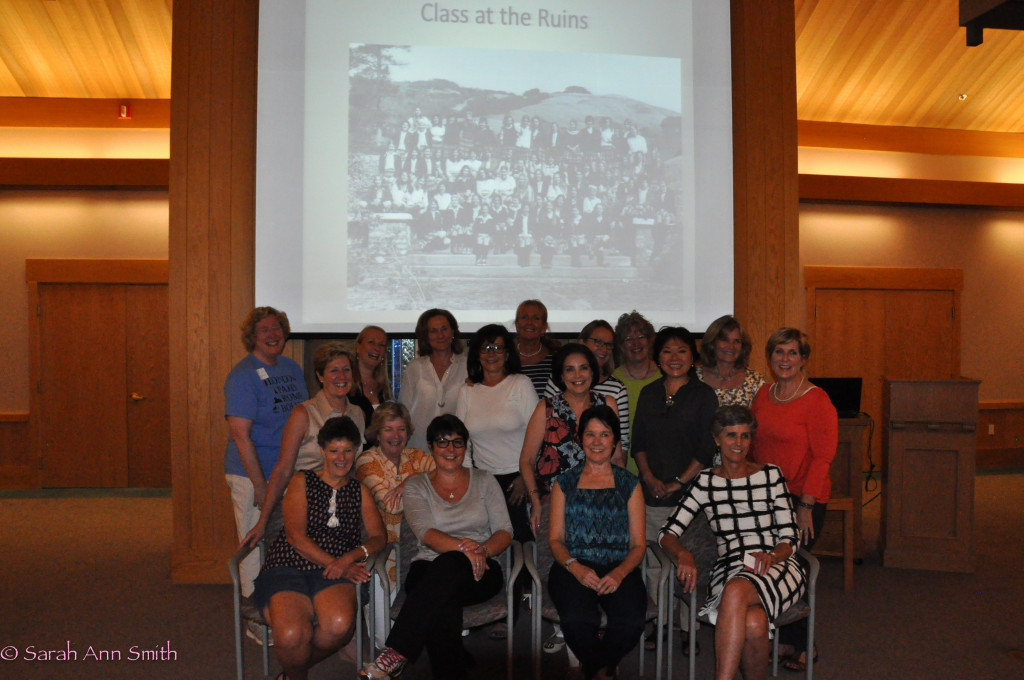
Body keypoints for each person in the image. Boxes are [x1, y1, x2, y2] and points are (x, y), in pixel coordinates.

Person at [360, 415, 513, 680]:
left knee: (447, 576)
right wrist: (465, 550)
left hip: (481, 570)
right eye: (442, 442)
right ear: (430, 446)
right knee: (444, 596)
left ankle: (396, 652)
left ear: (467, 448)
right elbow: (426, 533)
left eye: (457, 442)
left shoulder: (485, 480)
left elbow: (504, 530)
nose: (450, 449)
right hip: (429, 567)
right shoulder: (417, 485)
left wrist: (482, 551)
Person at [660, 405, 805, 680]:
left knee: (737, 591)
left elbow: (790, 535)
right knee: (753, 622)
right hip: (730, 567)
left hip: (777, 565)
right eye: (730, 436)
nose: (738, 444)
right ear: (717, 439)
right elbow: (667, 532)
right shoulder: (705, 482)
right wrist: (683, 555)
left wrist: (773, 555)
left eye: (745, 436)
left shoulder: (771, 475)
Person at [253, 416, 387, 680]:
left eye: (347, 450)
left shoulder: (360, 491)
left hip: (337, 569)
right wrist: (336, 564)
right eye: (334, 450)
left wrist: (349, 559)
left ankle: (291, 674)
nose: (341, 457)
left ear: (355, 451)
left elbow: (378, 537)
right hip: (290, 564)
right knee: (292, 634)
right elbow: (295, 537)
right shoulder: (302, 480)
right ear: (323, 450)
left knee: (338, 627)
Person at [749, 328, 837, 671]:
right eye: (778, 353)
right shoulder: (763, 394)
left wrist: (806, 505)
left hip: (804, 498)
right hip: (766, 495)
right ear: (770, 358)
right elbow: (756, 446)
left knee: (795, 568)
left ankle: (805, 646)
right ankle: (786, 640)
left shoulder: (817, 399)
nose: (784, 359)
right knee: (773, 569)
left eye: (792, 353)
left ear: (803, 359)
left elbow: (823, 457)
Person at [548, 404, 647, 680]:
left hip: (619, 565)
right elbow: (555, 540)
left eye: (604, 435)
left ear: (615, 440)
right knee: (577, 620)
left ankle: (595, 669)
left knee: (631, 621)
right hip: (573, 565)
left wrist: (620, 572)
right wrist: (575, 567)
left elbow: (639, 545)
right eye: (590, 435)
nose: (597, 442)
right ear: (580, 439)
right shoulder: (564, 483)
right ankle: (605, 670)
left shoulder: (630, 484)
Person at [243, 343, 365, 549]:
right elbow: (283, 469)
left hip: (342, 504)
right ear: (320, 376)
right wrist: (262, 522)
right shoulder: (303, 413)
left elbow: (353, 468)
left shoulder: (358, 414)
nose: (341, 376)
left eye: (346, 369)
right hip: (304, 503)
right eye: (333, 370)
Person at [224, 307, 308, 600]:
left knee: (282, 544)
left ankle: (282, 605)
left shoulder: (291, 369)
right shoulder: (243, 376)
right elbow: (239, 435)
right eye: (264, 330)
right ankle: (254, 613)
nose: (273, 335)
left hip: (288, 472)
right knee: (252, 546)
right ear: (252, 337)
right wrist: (260, 484)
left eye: (277, 329)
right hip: (251, 475)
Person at [355, 402, 435, 647]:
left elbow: (447, 477)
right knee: (385, 641)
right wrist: (418, 483)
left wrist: (408, 482)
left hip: (421, 552)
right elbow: (392, 507)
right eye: (388, 429)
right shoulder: (366, 462)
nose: (395, 436)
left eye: (401, 429)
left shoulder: (418, 456)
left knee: (422, 633)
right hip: (383, 557)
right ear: (377, 433)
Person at [631, 326, 718, 544]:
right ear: (658, 357)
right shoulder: (648, 393)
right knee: (652, 561)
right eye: (667, 351)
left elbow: (707, 448)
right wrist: (649, 478)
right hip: (653, 494)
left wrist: (678, 483)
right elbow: (638, 442)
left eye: (682, 350)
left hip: (692, 496)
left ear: (692, 356)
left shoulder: (705, 395)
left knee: (688, 561)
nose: (675, 357)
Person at [456, 324, 538, 544]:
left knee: (520, 540)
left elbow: (540, 434)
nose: (491, 353)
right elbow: (461, 443)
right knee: (483, 541)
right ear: (476, 354)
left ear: (508, 353)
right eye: (485, 348)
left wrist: (525, 476)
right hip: (482, 479)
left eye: (498, 347)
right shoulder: (467, 391)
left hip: (518, 479)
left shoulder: (521, 384)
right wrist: (467, 482)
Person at [544, 320, 631, 453]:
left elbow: (621, 444)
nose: (604, 349)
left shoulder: (617, 389)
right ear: (581, 342)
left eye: (608, 345)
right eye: (598, 342)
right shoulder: (558, 380)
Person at [398, 309, 468, 452]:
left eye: (444, 329)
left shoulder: (468, 367)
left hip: (453, 449)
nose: (440, 335)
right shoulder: (414, 368)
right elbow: (403, 411)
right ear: (426, 336)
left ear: (453, 332)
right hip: (417, 447)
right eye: (433, 331)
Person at [612, 311, 660, 475]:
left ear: (650, 340)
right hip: (622, 467)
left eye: (641, 337)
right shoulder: (612, 381)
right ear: (620, 346)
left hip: (660, 468)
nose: (636, 343)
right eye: (629, 339)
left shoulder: (666, 377)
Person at [696, 315, 766, 408]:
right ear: (712, 343)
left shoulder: (755, 381)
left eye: (737, 341)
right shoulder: (695, 377)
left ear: (743, 346)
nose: (731, 346)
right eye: (725, 340)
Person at [350, 326, 393, 430]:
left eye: (381, 345)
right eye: (371, 342)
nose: (377, 348)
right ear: (358, 347)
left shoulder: (385, 390)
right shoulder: (345, 384)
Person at [515, 299, 560, 398]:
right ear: (517, 325)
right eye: (524, 317)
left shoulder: (557, 359)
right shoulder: (504, 358)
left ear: (544, 327)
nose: (529, 322)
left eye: (536, 318)